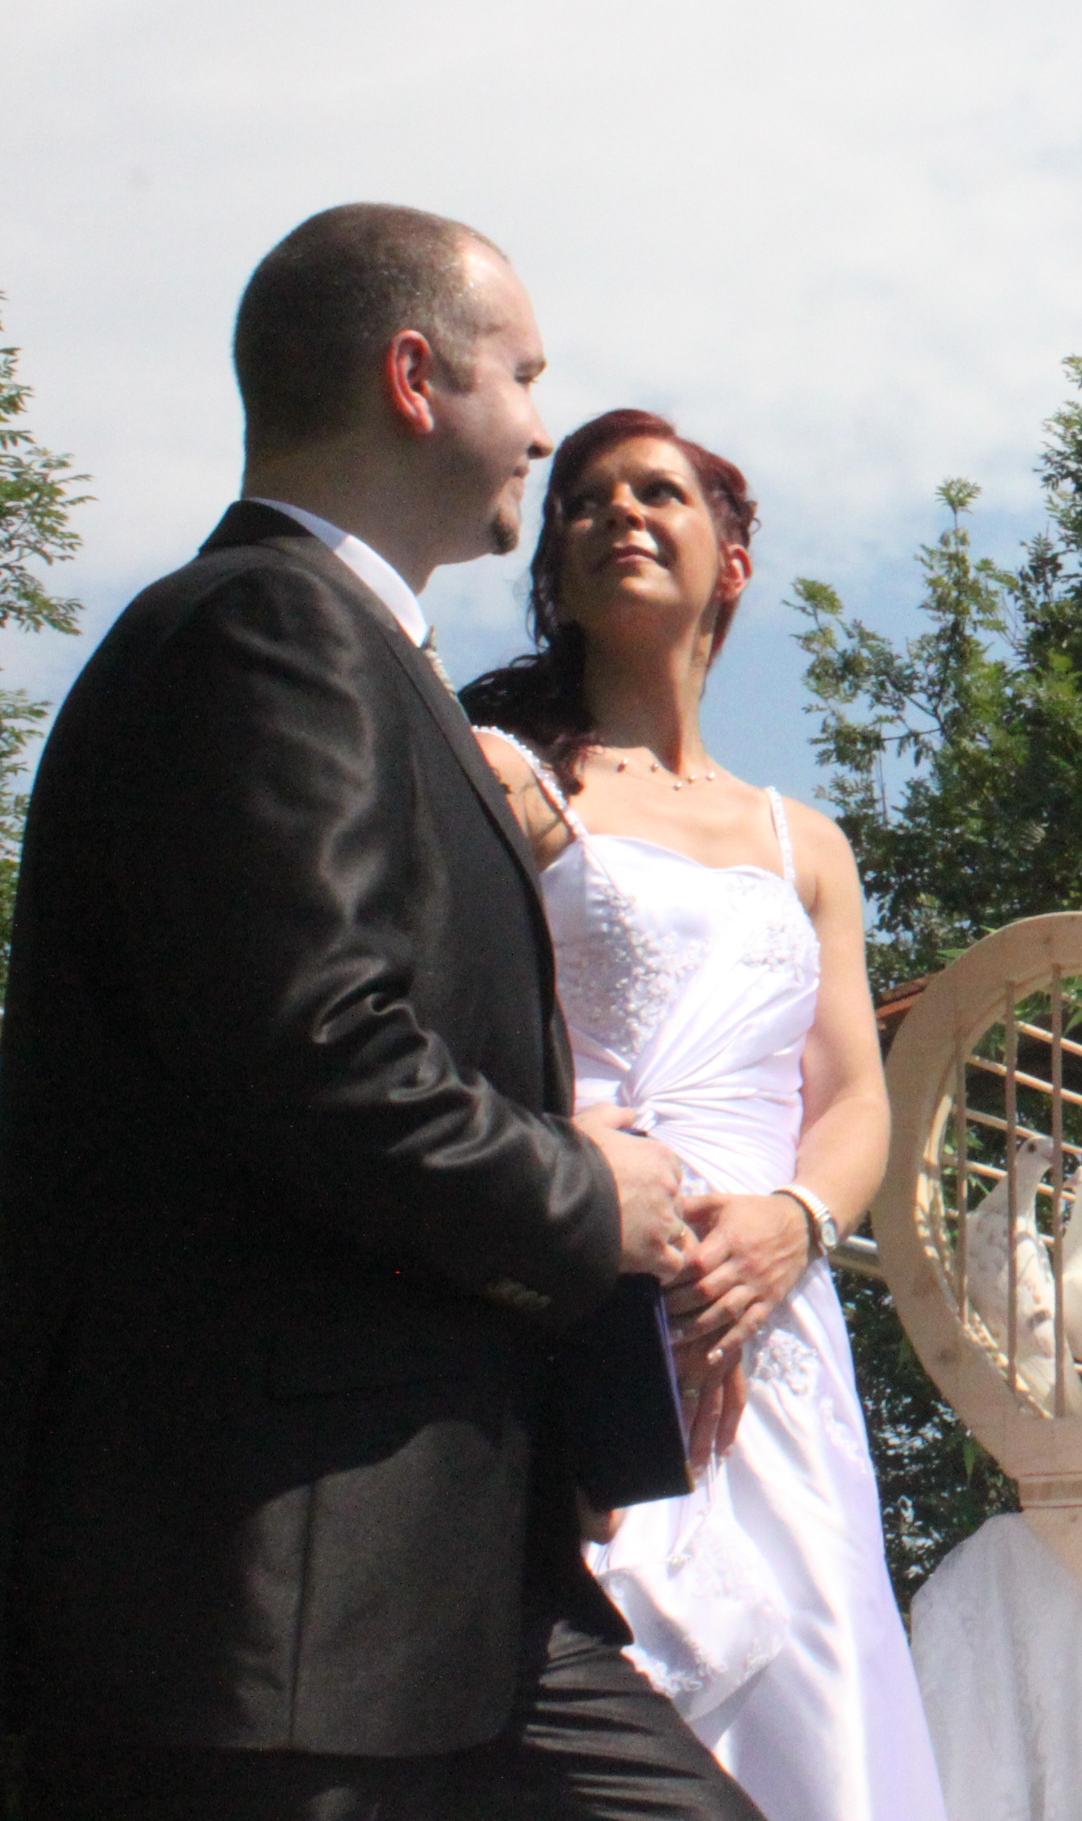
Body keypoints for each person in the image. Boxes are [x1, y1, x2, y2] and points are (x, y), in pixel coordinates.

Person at [0, 204, 763, 1819]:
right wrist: (585, 1190)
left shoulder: (362, 657)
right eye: (524, 375)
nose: (543, 427)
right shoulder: (268, 634)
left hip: (454, 1588)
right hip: (280, 1610)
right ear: (417, 378)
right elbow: (313, 1053)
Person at [461, 408, 945, 1821]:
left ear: (730, 557)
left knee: (810, 1703)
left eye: (658, 491)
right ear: (551, 571)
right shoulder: (506, 774)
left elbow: (854, 1097)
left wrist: (794, 1227)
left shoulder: (807, 844)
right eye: (583, 499)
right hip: (589, 1290)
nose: (618, 512)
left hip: (771, 1327)